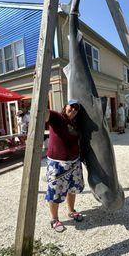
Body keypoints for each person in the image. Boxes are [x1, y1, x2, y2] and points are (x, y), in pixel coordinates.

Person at [44, 99, 84, 232]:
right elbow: (44, 113)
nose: (73, 110)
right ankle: (54, 219)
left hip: (74, 163)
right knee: (54, 192)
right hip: (58, 164)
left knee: (72, 189)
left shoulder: (76, 123)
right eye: (71, 106)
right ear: (65, 106)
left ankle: (71, 211)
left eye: (76, 109)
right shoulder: (57, 117)